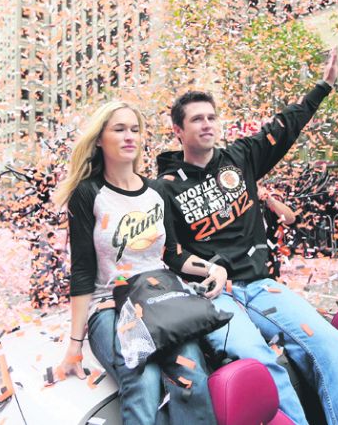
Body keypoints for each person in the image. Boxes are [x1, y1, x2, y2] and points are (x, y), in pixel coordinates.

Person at [157, 49, 338, 425]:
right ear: (178, 131)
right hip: (213, 298)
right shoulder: (162, 189)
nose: (207, 124)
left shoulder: (241, 157)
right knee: (260, 362)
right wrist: (206, 272)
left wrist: (322, 87)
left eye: (212, 117)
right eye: (197, 119)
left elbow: (285, 126)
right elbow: (169, 253)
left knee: (329, 343)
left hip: (260, 285)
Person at [53, 101, 218, 425]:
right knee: (142, 380)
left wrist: (211, 268)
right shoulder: (88, 194)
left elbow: (172, 255)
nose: (129, 136)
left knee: (192, 378)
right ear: (99, 139)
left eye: (134, 129)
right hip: (110, 309)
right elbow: (83, 271)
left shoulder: (157, 191)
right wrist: (74, 344)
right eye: (119, 129)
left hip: (159, 302)